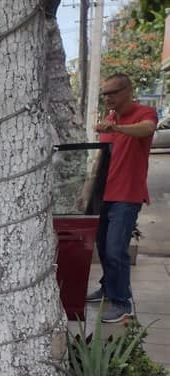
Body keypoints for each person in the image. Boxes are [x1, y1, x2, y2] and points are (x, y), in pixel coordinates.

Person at [81, 74, 157, 323]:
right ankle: (107, 288)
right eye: (105, 94)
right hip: (104, 195)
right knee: (103, 246)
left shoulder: (144, 113)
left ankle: (123, 303)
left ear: (127, 90)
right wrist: (86, 193)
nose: (108, 98)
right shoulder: (109, 120)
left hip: (127, 196)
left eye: (112, 92)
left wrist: (116, 128)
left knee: (116, 250)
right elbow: (101, 163)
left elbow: (147, 129)